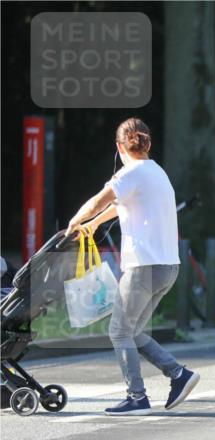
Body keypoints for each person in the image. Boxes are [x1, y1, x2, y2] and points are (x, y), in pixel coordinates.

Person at [65, 118, 200, 416]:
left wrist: (76, 221)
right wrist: (93, 225)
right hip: (167, 268)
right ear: (148, 143)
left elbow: (99, 201)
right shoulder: (156, 172)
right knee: (134, 330)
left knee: (119, 331)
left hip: (143, 268)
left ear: (119, 147)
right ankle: (178, 375)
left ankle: (136, 396)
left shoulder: (130, 173)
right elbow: (118, 206)